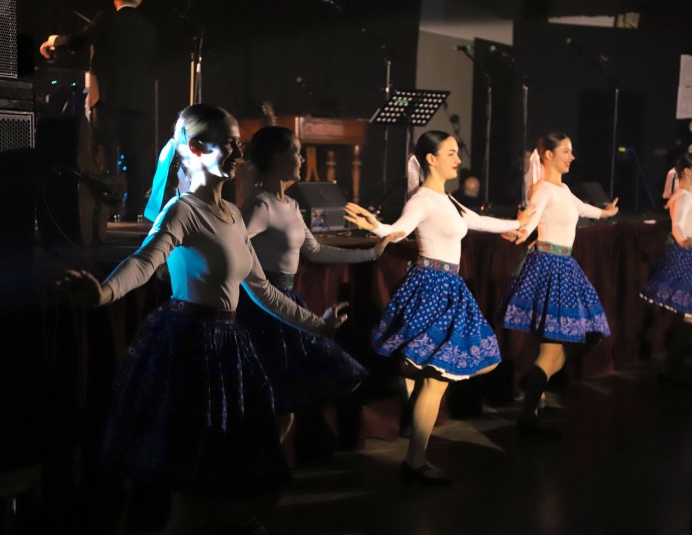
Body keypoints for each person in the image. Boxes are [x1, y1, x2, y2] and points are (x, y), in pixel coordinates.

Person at [56, 104, 348, 535]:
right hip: (191, 349)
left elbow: (262, 289)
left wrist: (317, 326)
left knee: (245, 480)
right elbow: (144, 261)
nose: (240, 153)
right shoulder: (183, 211)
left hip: (227, 348)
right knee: (194, 502)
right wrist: (104, 293)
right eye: (230, 143)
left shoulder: (232, 213)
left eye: (239, 143)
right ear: (196, 147)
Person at [344, 130, 533, 485]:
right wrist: (378, 226)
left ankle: (412, 394)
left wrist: (518, 224)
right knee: (438, 378)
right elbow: (399, 230)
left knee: (479, 361)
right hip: (431, 287)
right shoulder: (422, 200)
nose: (458, 160)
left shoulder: (449, 201)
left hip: (449, 289)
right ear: (431, 159)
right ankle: (415, 461)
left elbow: (479, 222)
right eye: (451, 153)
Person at [238, 125, 403, 442]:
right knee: (272, 400)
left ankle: (266, 461)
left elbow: (314, 250)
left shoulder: (290, 205)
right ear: (279, 158)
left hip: (287, 299)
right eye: (297, 152)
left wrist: (371, 254)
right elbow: (232, 246)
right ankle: (259, 462)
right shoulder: (261, 207)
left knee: (285, 405)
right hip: (264, 307)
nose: (302, 159)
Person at [499, 131, 618, 438]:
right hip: (549, 268)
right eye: (566, 151)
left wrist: (605, 212)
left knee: (589, 334)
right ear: (548, 155)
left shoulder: (563, 189)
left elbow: (582, 209)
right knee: (552, 347)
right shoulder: (542, 190)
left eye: (572, 151)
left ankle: (536, 385)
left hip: (565, 267)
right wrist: (519, 232)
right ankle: (529, 412)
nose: (572, 157)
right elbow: (530, 220)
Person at [40, 0, 157, 222]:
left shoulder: (106, 19)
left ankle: (109, 209)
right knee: (136, 157)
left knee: (106, 153)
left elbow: (78, 40)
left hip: (107, 98)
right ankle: (134, 209)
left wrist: (54, 41)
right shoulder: (148, 28)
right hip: (139, 102)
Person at [640, 152, 692, 383]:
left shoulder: (689, 195)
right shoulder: (683, 196)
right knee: (691, 319)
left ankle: (671, 368)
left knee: (691, 319)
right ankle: (670, 368)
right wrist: (685, 242)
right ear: (687, 171)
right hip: (688, 257)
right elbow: (677, 226)